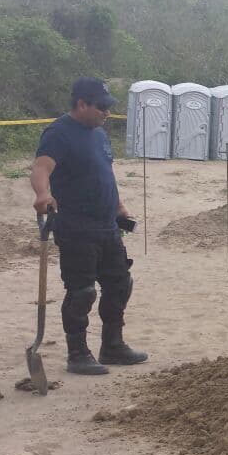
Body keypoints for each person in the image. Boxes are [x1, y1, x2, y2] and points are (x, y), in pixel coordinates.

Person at [30, 77, 148, 375]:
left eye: (109, 107)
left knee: (120, 284)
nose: (107, 112)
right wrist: (43, 194)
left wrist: (119, 206)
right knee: (81, 291)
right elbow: (42, 167)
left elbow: (105, 172)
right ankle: (78, 354)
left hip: (107, 226)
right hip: (76, 227)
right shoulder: (58, 133)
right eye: (102, 107)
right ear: (81, 104)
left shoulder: (99, 134)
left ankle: (112, 346)